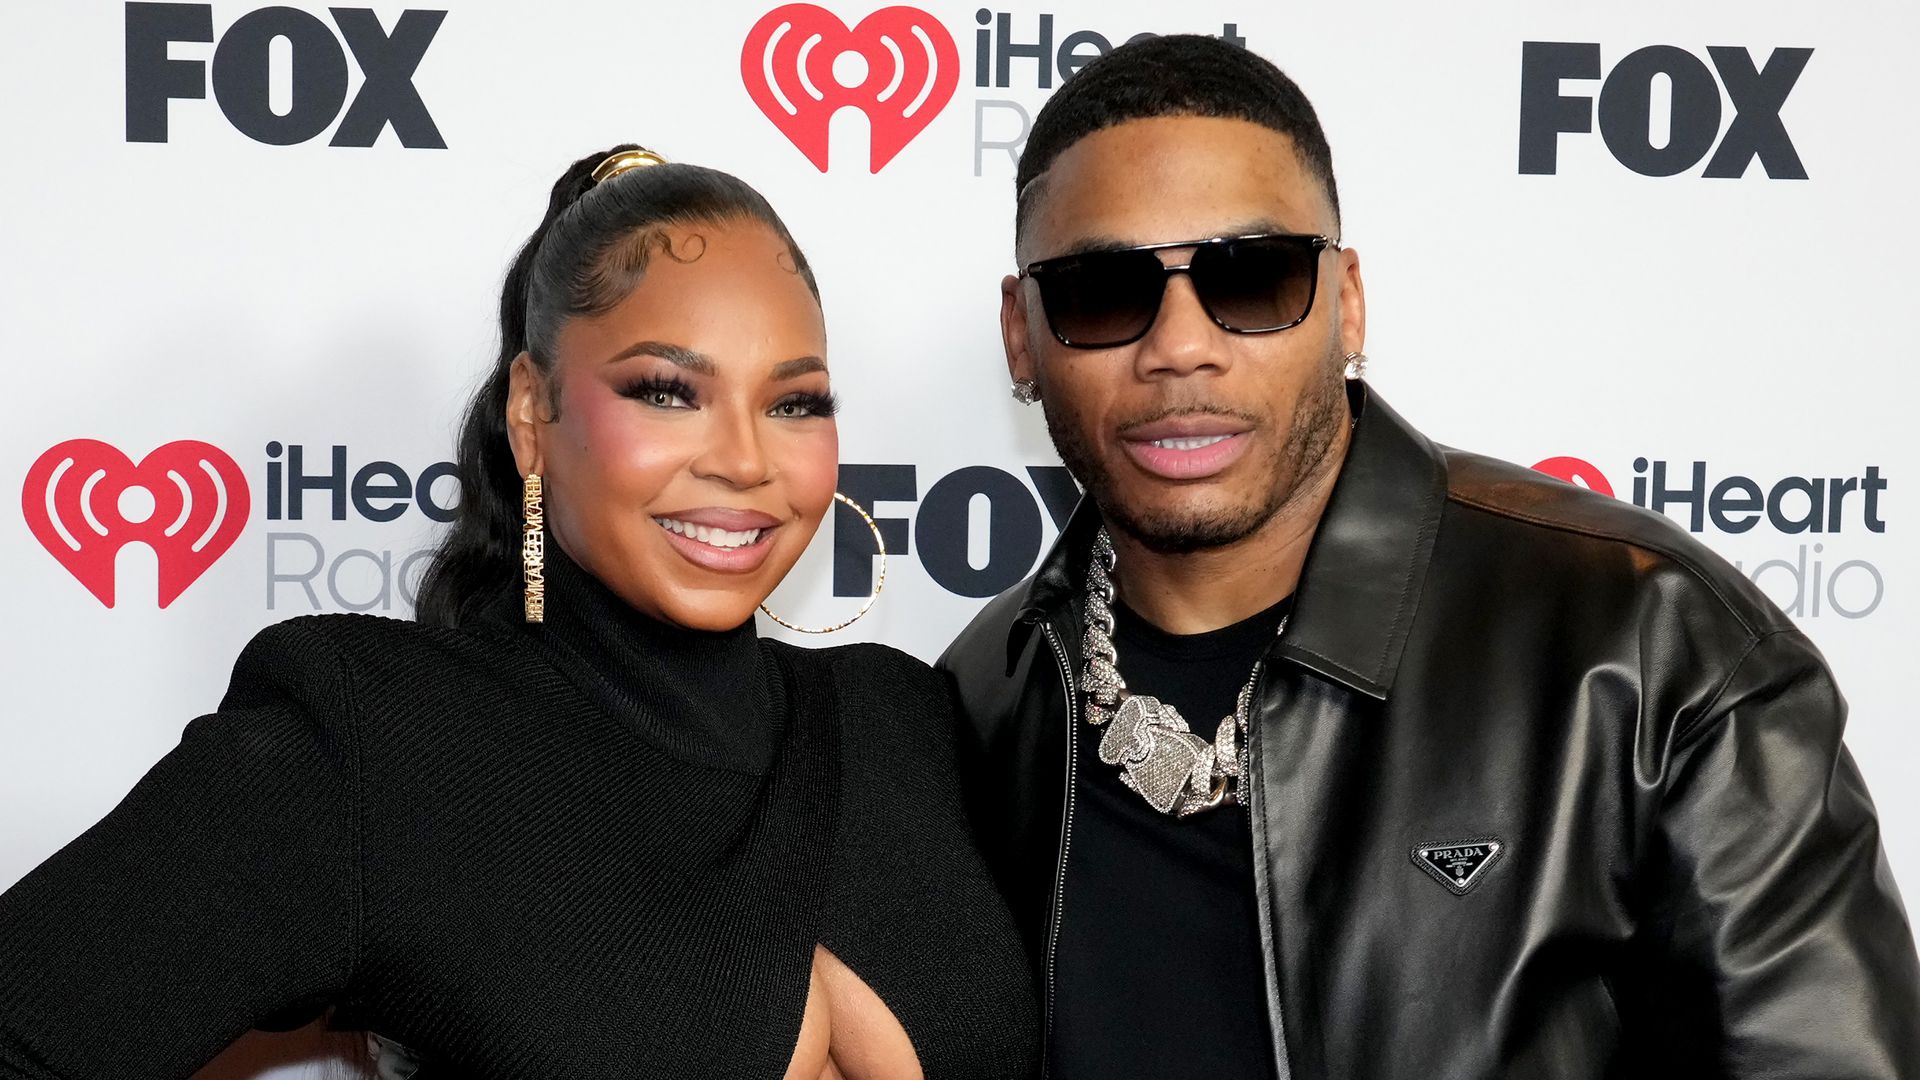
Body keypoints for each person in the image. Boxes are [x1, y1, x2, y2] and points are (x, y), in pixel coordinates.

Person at [938, 34, 1920, 1080]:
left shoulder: (1649, 647)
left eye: (1253, 277)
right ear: (1020, 334)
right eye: (1101, 290)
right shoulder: (988, 695)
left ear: (1347, 301)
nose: (1181, 345)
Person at [0, 145, 1038, 1080]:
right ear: (532, 416)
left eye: (795, 401)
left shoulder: (908, 723)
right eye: (667, 391)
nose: (745, 459)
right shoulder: (379, 745)